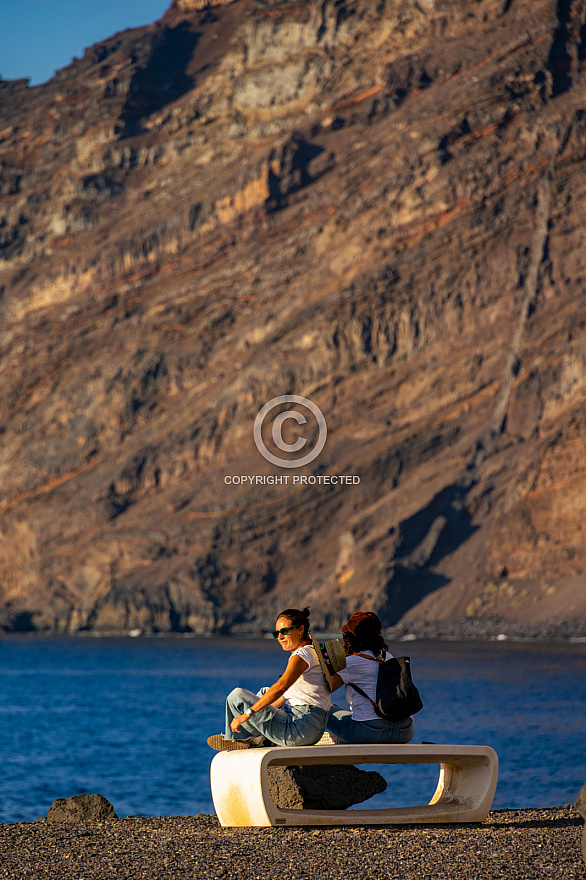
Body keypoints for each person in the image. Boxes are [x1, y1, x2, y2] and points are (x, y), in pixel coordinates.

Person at [207, 607, 330, 751]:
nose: (280, 637)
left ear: (300, 629)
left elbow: (281, 686)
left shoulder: (300, 656)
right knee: (265, 692)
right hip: (312, 728)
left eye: (284, 631)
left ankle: (240, 738)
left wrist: (247, 714)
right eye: (276, 633)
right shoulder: (313, 652)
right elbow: (286, 695)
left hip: (299, 730)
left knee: (237, 696)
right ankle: (255, 736)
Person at [326, 611, 414, 744]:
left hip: (369, 732)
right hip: (405, 731)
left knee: (324, 708)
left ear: (350, 637)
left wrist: (325, 665)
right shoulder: (388, 657)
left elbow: (323, 689)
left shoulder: (351, 662)